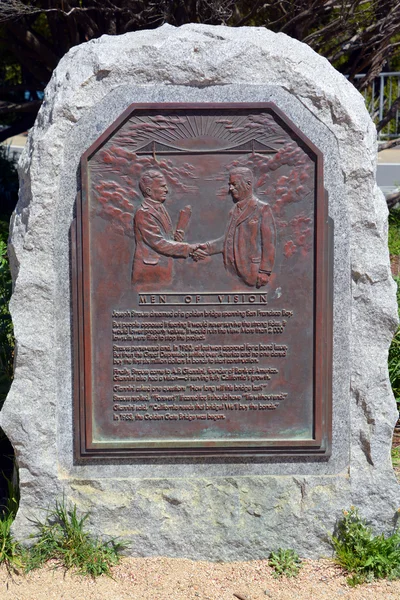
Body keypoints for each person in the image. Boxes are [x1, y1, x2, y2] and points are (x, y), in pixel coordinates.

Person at [193, 167, 276, 288]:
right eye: (229, 184)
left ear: (248, 184)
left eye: (234, 184)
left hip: (251, 272)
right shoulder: (234, 211)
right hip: (231, 272)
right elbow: (229, 239)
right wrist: (207, 248)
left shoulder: (262, 209)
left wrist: (265, 271)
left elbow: (269, 243)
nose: (230, 188)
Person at [131, 169, 199, 287]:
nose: (167, 190)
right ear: (149, 191)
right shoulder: (144, 213)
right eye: (162, 187)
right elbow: (159, 243)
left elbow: (166, 237)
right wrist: (189, 248)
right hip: (149, 274)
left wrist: (178, 232)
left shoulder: (160, 208)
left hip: (162, 270)